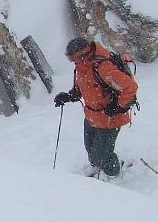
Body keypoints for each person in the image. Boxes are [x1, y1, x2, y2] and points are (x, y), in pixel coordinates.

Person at [53, 37, 138, 177]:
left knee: (101, 156)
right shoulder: (81, 67)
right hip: (91, 117)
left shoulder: (103, 68)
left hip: (109, 119)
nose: (72, 61)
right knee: (91, 150)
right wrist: (68, 96)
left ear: (83, 53)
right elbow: (83, 88)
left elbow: (130, 87)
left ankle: (114, 173)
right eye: (70, 59)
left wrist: (118, 106)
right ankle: (100, 165)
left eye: (73, 58)